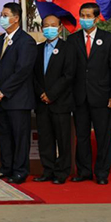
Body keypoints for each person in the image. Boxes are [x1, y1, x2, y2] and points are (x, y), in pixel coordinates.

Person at [69, 2, 111, 185]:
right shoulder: (72, 40)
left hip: (102, 96)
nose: (85, 19)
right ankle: (84, 171)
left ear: (97, 18)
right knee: (82, 136)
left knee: (103, 136)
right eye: (82, 15)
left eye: (88, 16)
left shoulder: (110, 39)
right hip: (79, 96)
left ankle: (102, 173)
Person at [0, 2, 37, 184]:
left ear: (16, 18)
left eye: (5, 15)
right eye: (1, 14)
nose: (2, 18)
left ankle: (20, 171)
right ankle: (6, 168)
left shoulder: (26, 41)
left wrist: (4, 90)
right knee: (4, 136)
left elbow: (23, 70)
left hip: (17, 100)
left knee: (20, 137)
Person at [32, 14, 75, 184]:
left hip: (60, 102)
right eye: (46, 25)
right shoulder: (37, 49)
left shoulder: (68, 48)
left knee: (63, 140)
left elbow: (69, 75)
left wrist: (51, 94)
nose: (49, 28)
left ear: (60, 28)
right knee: (45, 139)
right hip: (42, 103)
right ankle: (47, 170)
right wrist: (41, 93)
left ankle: (62, 172)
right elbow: (33, 76)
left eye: (53, 25)